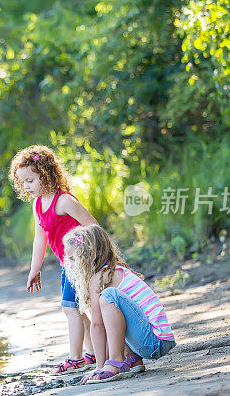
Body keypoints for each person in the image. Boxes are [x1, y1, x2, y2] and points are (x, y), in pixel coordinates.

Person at [9, 145, 100, 374]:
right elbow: (40, 240)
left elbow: (94, 227)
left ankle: (75, 357)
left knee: (69, 307)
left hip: (81, 262)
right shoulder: (38, 205)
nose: (26, 187)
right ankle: (91, 354)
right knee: (77, 308)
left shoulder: (64, 202)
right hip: (66, 265)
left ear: (46, 174)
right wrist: (34, 269)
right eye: (23, 182)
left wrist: (78, 249)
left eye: (30, 180)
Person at [61, 224, 176, 383]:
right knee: (109, 308)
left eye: (73, 259)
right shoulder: (112, 271)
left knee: (109, 296)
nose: (70, 265)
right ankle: (131, 359)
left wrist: (100, 367)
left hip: (154, 342)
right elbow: (109, 326)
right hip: (155, 340)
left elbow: (97, 326)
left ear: (88, 256)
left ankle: (116, 362)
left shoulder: (101, 278)